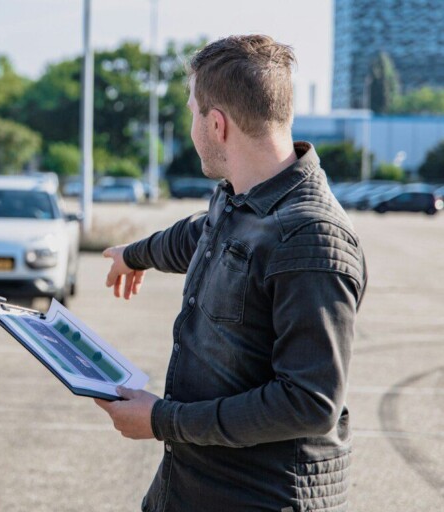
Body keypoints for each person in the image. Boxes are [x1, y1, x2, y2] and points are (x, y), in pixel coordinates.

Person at [97, 35, 367, 512]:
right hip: (191, 485)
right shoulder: (240, 196)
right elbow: (200, 235)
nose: (191, 124)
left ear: (216, 124)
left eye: (192, 111)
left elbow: (308, 402)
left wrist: (162, 420)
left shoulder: (312, 239)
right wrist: (135, 254)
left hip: (258, 498)